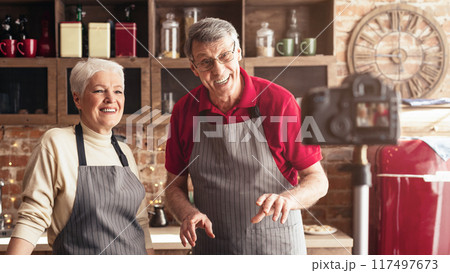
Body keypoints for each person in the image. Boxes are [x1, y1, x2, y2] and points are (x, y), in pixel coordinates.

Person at [165, 18, 328, 255]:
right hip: (213, 250)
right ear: (193, 67)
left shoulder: (280, 103)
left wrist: (289, 200)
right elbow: (173, 186)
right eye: (206, 62)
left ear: (238, 53)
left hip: (277, 250)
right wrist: (187, 213)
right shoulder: (183, 111)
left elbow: (317, 179)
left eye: (225, 56)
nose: (218, 70)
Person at [6, 58, 154, 255]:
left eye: (118, 91)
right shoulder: (56, 143)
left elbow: (140, 222)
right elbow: (33, 218)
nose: (111, 98)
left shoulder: (124, 152)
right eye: (99, 90)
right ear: (77, 99)